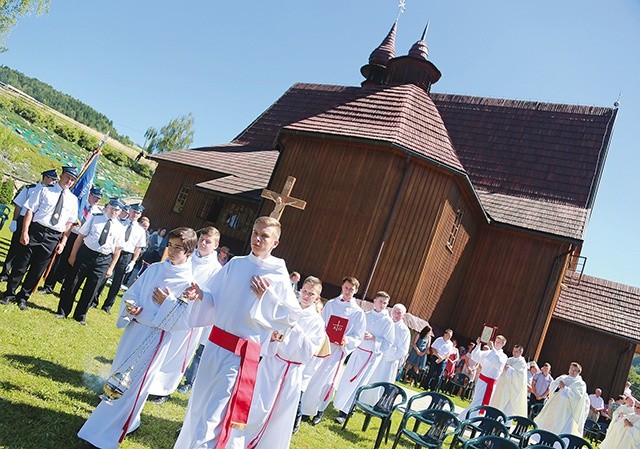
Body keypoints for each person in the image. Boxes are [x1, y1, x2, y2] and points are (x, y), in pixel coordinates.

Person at [174, 217, 302, 449]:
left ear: (275, 242)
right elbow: (216, 297)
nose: (257, 239)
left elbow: (291, 316)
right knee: (199, 404)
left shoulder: (278, 274)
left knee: (216, 413)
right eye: (255, 233)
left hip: (240, 353)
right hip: (215, 345)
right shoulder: (236, 264)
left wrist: (267, 298)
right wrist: (201, 294)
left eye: (264, 236)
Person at [77, 227, 199, 449]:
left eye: (178, 248)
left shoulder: (189, 283)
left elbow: (183, 322)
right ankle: (112, 423)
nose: (171, 251)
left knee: (133, 385)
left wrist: (168, 303)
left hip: (155, 337)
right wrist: (132, 307)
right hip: (136, 329)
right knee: (118, 377)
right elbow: (133, 292)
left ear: (189, 251)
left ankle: (106, 435)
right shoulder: (156, 269)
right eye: (170, 245)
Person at [244, 276, 326, 449]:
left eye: (311, 294)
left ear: (317, 298)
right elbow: (268, 329)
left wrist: (294, 327)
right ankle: (245, 438)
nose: (306, 296)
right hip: (272, 363)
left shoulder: (317, 322)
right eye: (304, 291)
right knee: (258, 405)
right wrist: (272, 339)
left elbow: (308, 352)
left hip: (292, 370)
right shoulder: (287, 308)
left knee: (280, 414)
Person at [148, 226, 222, 403]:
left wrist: (198, 294)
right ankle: (150, 382)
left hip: (192, 315)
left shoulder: (217, 269)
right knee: (161, 345)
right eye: (202, 239)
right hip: (170, 305)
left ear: (216, 245)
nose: (203, 243)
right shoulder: (188, 256)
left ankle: (164, 389)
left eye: (208, 241)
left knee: (178, 352)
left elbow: (214, 296)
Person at [0, 166, 78, 311]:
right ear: (61, 176)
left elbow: (69, 224)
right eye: (68, 177)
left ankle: (23, 297)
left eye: (72, 179)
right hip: (36, 230)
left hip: (53, 236)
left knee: (37, 270)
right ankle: (9, 293)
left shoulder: (73, 200)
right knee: (21, 265)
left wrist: (63, 242)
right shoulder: (45, 189)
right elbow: (30, 210)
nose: (69, 181)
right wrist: (24, 231)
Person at [299, 276, 367, 426]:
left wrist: (346, 340)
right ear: (342, 287)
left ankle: (319, 410)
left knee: (328, 381)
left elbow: (358, 335)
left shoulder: (358, 312)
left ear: (356, 291)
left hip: (338, 350)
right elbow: (321, 322)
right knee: (313, 376)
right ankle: (305, 409)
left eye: (351, 289)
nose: (348, 291)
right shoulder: (331, 304)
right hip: (323, 345)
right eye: (346, 287)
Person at [54, 198, 126, 325]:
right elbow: (80, 236)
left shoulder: (120, 228)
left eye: (117, 210)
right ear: (107, 207)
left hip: (103, 259)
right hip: (86, 254)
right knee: (73, 283)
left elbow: (118, 250)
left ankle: (80, 316)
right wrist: (73, 255)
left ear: (120, 212)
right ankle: (62, 311)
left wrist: (111, 268)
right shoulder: (94, 218)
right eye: (112, 208)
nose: (113, 211)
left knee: (91, 289)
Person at [333, 291, 394, 424]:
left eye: (385, 303)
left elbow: (389, 342)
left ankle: (346, 411)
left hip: (371, 357)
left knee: (359, 383)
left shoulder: (388, 322)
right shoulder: (365, 315)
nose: (382, 305)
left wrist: (374, 338)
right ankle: (340, 403)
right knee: (347, 378)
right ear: (374, 300)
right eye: (380, 301)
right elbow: (356, 330)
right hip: (358, 352)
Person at [41, 186, 104, 295]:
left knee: (74, 264)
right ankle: (49, 285)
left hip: (83, 240)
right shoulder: (79, 205)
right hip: (72, 235)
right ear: (89, 195)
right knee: (60, 261)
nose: (97, 200)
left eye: (99, 198)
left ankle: (64, 289)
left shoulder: (97, 212)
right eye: (95, 197)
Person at [0, 169, 59, 282]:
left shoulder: (54, 193)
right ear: (45, 177)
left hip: (37, 224)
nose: (53, 182)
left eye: (55, 180)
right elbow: (18, 205)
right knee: (15, 248)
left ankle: (17, 276)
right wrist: (15, 221)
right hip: (23, 220)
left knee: (27, 253)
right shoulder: (30, 188)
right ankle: (5, 272)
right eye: (52, 179)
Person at [101, 203, 146, 314]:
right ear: (129, 211)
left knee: (117, 281)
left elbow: (138, 248)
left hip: (127, 255)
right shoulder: (120, 223)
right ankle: (94, 299)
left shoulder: (141, 230)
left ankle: (107, 305)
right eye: (134, 211)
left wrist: (133, 261)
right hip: (115, 251)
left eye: (138, 213)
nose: (135, 214)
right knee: (104, 275)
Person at [361, 303, 411, 405]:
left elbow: (403, 350)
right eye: (394, 311)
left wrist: (386, 352)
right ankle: (363, 401)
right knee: (371, 379)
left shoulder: (404, 330)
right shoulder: (386, 322)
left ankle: (377, 404)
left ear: (403, 315)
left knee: (382, 383)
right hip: (377, 356)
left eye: (399, 313)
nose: (396, 314)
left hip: (389, 361)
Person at [458, 335, 508, 419]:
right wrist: (478, 345)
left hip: (490, 382)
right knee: (477, 400)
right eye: (496, 341)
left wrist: (493, 350)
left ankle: (473, 419)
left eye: (499, 342)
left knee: (482, 402)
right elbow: (475, 357)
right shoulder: (489, 352)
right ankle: (470, 418)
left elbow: (498, 365)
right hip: (482, 380)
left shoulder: (503, 356)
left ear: (503, 344)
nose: (496, 343)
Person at [534, 362, 590, 437]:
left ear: (578, 372)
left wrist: (565, 388)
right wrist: (557, 386)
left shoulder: (580, 383)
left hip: (567, 411)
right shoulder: (563, 377)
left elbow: (577, 397)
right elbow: (552, 387)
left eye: (575, 370)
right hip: (555, 406)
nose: (572, 371)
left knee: (562, 430)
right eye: (571, 369)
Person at [490, 344, 528, 417]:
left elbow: (520, 377)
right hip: (503, 386)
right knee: (498, 403)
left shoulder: (522, 363)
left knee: (507, 409)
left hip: (512, 389)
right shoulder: (510, 359)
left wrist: (510, 369)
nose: (514, 352)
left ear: (520, 353)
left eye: (516, 351)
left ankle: (505, 425)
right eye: (514, 351)